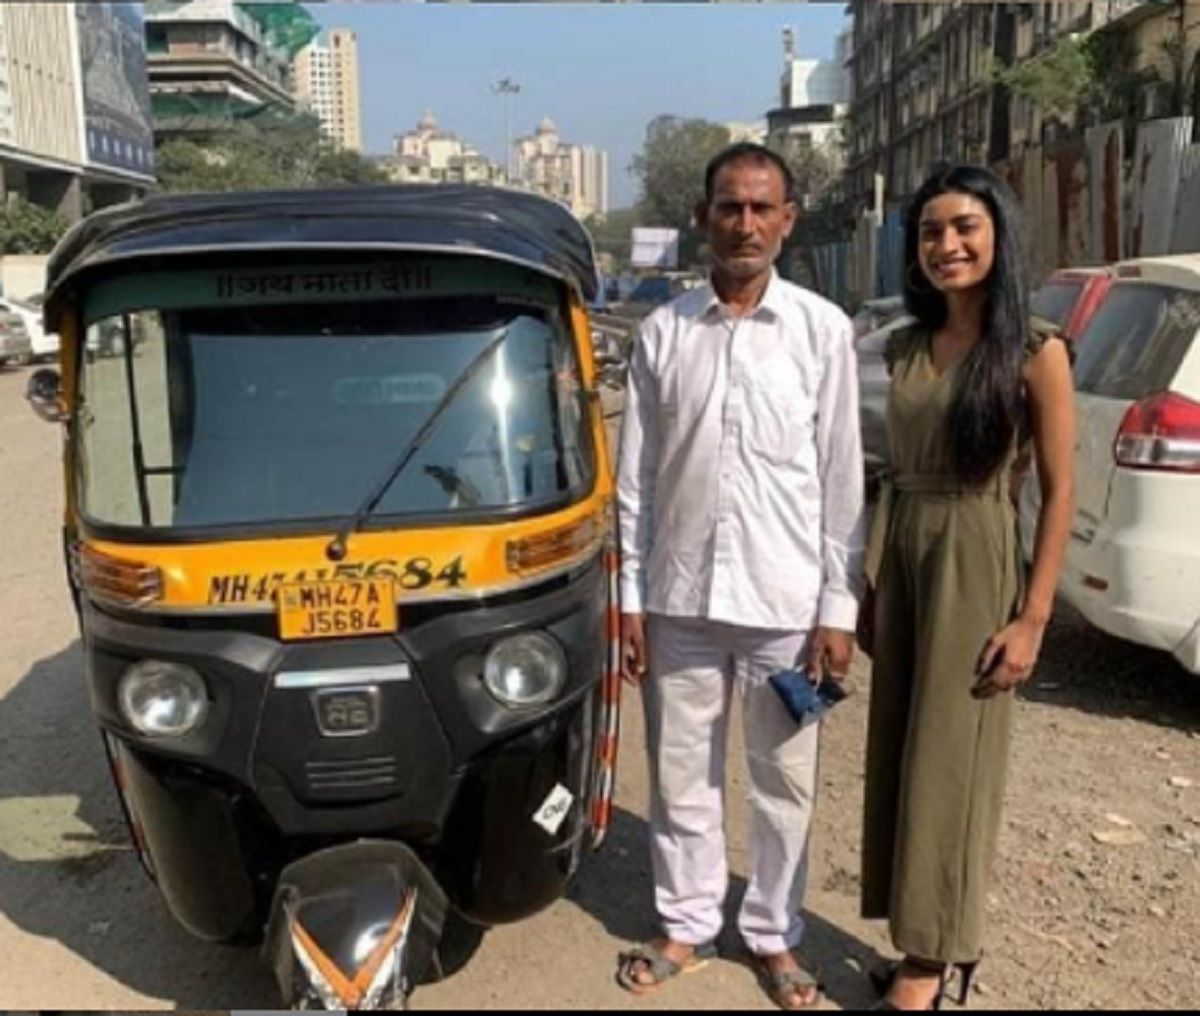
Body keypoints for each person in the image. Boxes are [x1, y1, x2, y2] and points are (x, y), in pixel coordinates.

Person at [614, 142, 866, 1010]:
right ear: (704, 219)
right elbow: (635, 481)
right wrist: (629, 596)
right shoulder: (663, 333)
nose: (746, 223)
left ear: (789, 219)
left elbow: (842, 479)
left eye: (764, 208)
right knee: (681, 774)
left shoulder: (823, 332)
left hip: (785, 605)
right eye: (731, 207)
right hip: (680, 598)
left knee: (783, 782)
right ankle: (686, 921)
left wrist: (838, 606)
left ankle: (772, 934)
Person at [859, 164, 1075, 1010]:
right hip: (905, 547)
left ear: (997, 236)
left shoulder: (1035, 349)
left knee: (954, 761)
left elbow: (1059, 490)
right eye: (930, 232)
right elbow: (886, 471)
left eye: (964, 228)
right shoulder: (905, 346)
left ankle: (934, 961)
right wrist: (872, 584)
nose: (947, 245)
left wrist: (1032, 617)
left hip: (975, 551)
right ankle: (916, 934)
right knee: (902, 756)